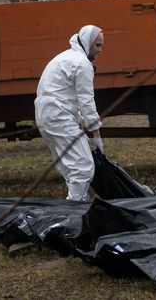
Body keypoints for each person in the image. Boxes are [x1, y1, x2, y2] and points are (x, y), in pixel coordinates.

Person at [34, 25, 105, 201]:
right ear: (88, 43)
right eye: (97, 45)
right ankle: (74, 210)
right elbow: (86, 100)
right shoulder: (82, 64)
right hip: (58, 116)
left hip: (46, 116)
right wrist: (96, 134)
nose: (100, 50)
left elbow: (63, 93)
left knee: (71, 168)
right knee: (83, 166)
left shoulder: (65, 57)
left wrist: (78, 121)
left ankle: (79, 201)